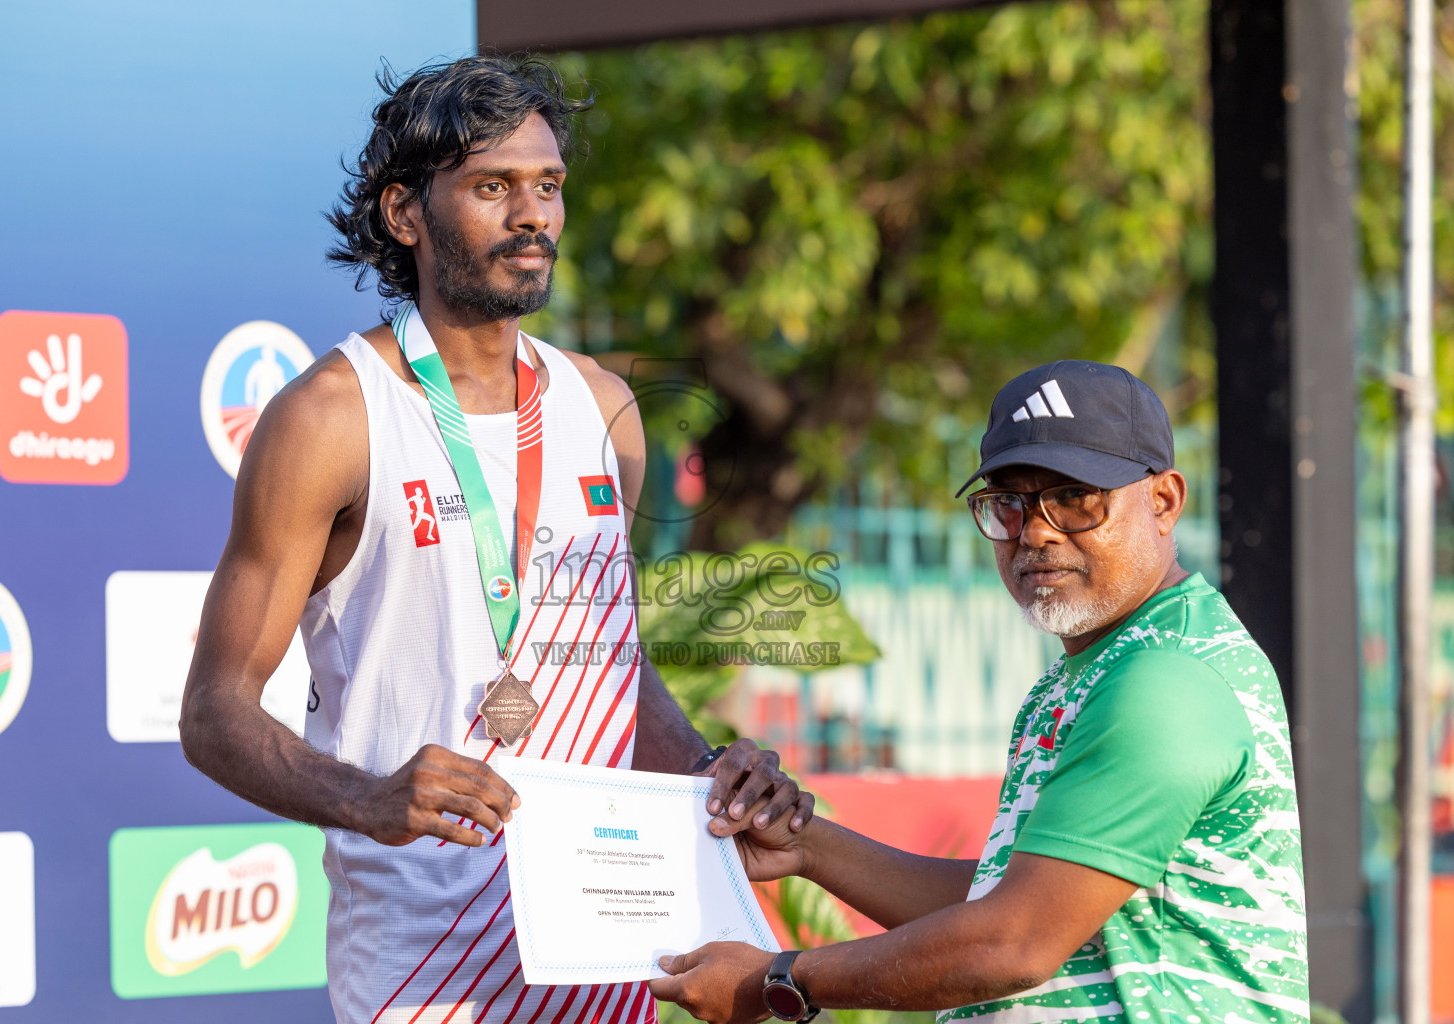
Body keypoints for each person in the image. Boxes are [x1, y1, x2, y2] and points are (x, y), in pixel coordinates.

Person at [179, 55, 811, 1024]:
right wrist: (367, 797)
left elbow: (611, 667)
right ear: (404, 214)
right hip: (425, 973)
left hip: (602, 954)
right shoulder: (332, 415)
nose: (534, 214)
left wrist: (704, 769)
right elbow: (214, 712)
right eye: (493, 186)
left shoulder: (605, 406)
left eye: (548, 186)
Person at [648, 361, 1309, 1024]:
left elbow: (1015, 941)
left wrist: (777, 979)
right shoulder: (1095, 669)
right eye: (1009, 505)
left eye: (1076, 498)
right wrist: (806, 845)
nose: (1037, 532)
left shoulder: (1166, 677)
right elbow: (1013, 900)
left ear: (1163, 501)